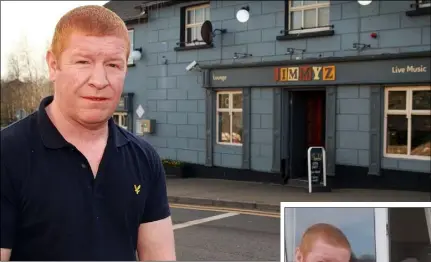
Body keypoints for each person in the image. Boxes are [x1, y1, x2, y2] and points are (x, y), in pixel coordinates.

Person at [0, 5, 175, 261]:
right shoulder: (7, 155)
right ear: (53, 65)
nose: (100, 80)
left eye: (114, 64)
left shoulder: (144, 158)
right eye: (83, 62)